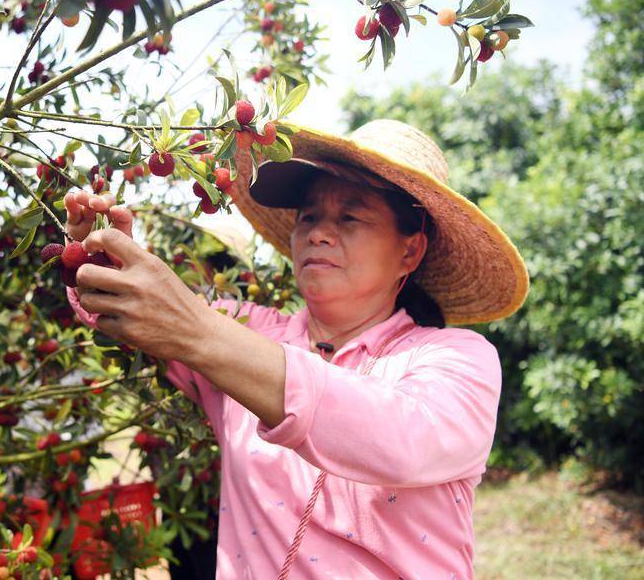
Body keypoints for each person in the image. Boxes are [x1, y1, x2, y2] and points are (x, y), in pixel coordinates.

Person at [62, 119, 529, 579]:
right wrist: (104, 264)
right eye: (309, 216)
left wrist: (198, 330)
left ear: (410, 251)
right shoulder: (247, 330)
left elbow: (399, 438)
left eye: (350, 216)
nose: (319, 233)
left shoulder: (456, 358)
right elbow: (142, 319)